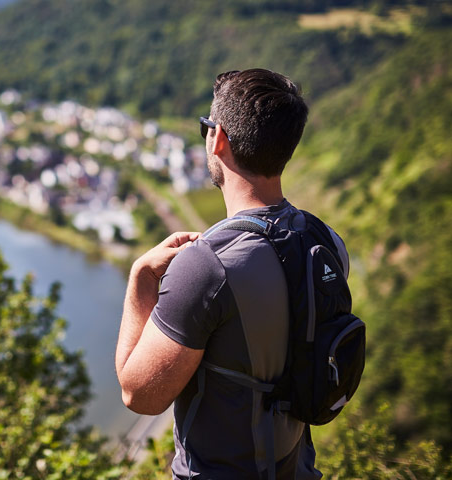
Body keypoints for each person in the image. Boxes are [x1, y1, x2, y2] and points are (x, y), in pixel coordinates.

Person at [115, 69, 349, 479]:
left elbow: (139, 394)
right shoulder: (326, 241)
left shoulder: (208, 266)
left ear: (217, 138)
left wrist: (140, 282)